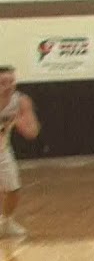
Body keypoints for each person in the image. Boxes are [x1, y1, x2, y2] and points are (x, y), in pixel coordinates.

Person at [0, 66, 39, 238]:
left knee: (13, 189)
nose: (8, 86)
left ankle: (7, 222)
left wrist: (21, 123)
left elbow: (33, 133)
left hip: (2, 150)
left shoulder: (21, 101)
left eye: (11, 82)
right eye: (2, 83)